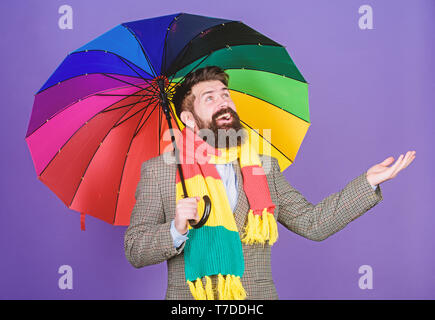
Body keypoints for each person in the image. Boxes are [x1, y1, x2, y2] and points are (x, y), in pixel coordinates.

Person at [124, 66, 416, 300]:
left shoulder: (263, 165)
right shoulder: (160, 172)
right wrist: (176, 229)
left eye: (226, 94)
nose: (224, 102)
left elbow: (313, 223)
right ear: (188, 117)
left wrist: (367, 183)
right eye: (209, 97)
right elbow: (135, 249)